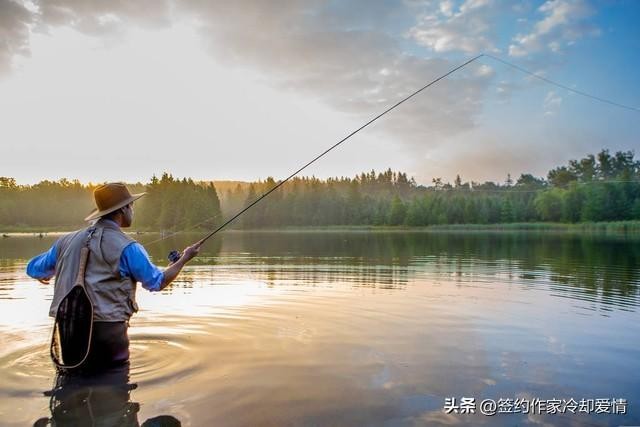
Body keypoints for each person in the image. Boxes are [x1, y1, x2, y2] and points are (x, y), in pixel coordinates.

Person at [26, 182, 200, 370]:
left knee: (72, 380)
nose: (132, 210)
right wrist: (184, 259)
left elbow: (34, 269)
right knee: (113, 386)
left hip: (69, 334)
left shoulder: (64, 242)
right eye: (131, 206)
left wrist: (45, 274)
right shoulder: (129, 247)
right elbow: (158, 282)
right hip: (109, 337)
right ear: (123, 209)